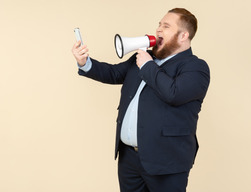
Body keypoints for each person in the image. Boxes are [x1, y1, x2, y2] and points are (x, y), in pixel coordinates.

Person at [72, 8, 210, 192]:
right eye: (159, 25)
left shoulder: (195, 67)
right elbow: (113, 73)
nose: (159, 30)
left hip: (166, 162)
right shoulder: (146, 58)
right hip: (129, 159)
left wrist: (147, 65)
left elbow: (174, 93)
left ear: (183, 35)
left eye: (166, 26)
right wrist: (84, 63)